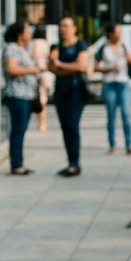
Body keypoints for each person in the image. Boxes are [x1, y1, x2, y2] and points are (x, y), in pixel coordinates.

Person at [48, 17, 89, 177]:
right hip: (61, 91)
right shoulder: (56, 46)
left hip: (76, 90)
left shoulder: (80, 45)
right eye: (60, 26)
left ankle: (75, 163)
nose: (62, 29)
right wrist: (67, 68)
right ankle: (71, 161)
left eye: (66, 26)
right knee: (65, 125)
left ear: (74, 28)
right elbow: (50, 66)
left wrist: (60, 66)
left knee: (72, 124)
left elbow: (81, 66)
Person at [2, 22, 42, 175]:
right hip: (17, 94)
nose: (30, 33)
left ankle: (19, 162)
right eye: (27, 31)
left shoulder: (23, 49)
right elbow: (12, 69)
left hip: (26, 95)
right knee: (18, 130)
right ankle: (17, 164)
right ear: (19, 35)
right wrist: (34, 69)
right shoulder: (11, 48)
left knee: (21, 129)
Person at [96, 23, 131, 154]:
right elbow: (95, 67)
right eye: (117, 32)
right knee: (111, 115)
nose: (120, 35)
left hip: (124, 83)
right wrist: (110, 68)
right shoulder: (104, 48)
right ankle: (112, 144)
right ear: (110, 34)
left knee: (126, 113)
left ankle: (129, 144)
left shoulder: (123, 46)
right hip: (109, 84)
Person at [29, 32, 53, 132]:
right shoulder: (43, 43)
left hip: (34, 73)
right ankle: (42, 123)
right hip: (41, 73)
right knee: (42, 99)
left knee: (39, 99)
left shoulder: (31, 43)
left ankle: (41, 123)